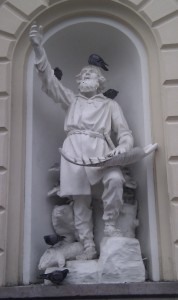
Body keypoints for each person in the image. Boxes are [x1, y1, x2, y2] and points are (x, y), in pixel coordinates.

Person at [29, 24, 134, 260]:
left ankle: (109, 224)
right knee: (80, 199)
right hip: (74, 151)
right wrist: (38, 49)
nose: (85, 77)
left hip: (101, 152)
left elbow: (125, 132)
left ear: (100, 81)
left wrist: (123, 147)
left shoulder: (110, 105)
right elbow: (50, 83)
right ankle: (88, 245)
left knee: (115, 179)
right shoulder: (71, 100)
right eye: (83, 75)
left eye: (90, 74)